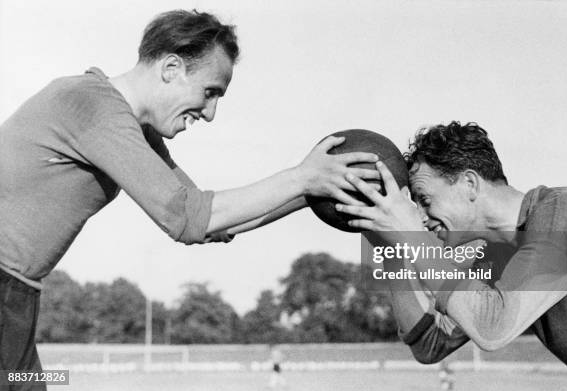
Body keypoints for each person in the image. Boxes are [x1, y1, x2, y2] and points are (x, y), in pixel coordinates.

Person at [0, 10, 380, 390]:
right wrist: (301, 177)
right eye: (210, 92)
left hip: (17, 296)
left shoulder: (133, 127)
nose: (211, 113)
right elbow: (188, 217)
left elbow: (210, 223)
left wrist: (313, 189)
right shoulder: (92, 104)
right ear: (170, 68)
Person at [336, 121, 567, 390]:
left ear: (469, 183)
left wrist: (412, 237)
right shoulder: (500, 257)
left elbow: (493, 328)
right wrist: (391, 247)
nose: (420, 218)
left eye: (426, 200)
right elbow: (430, 344)